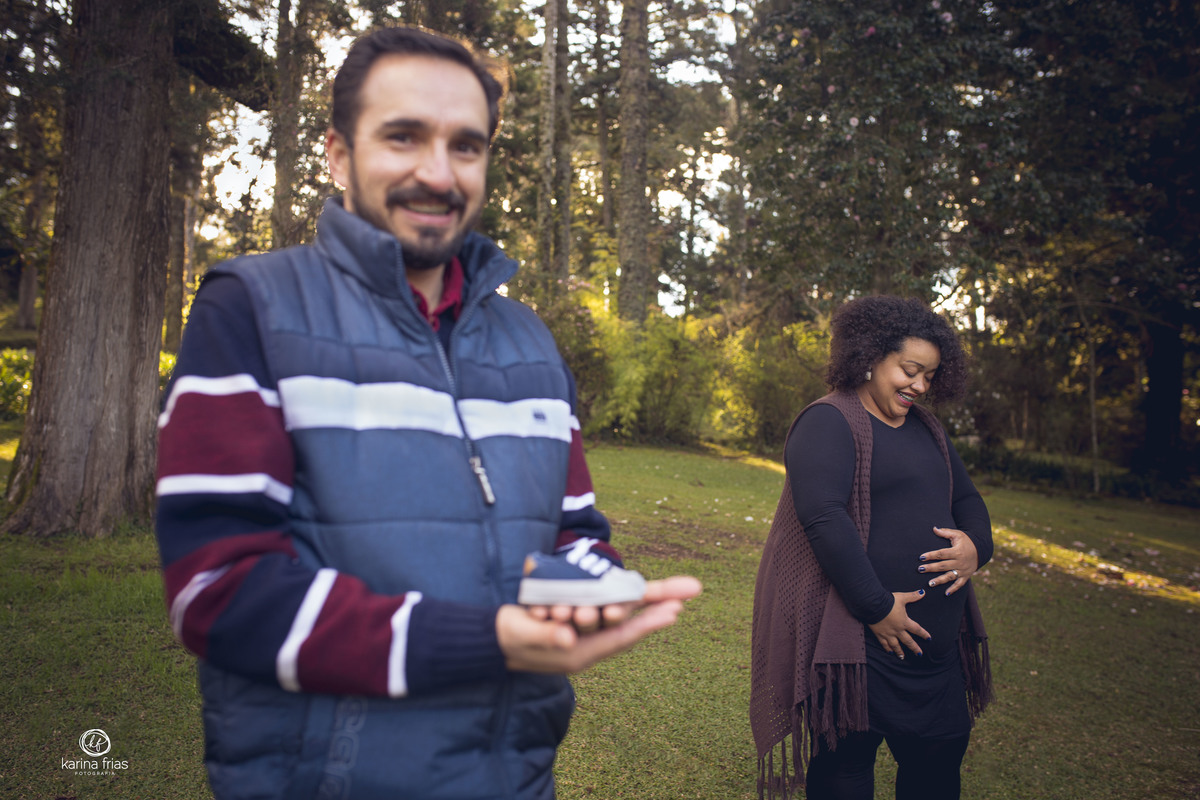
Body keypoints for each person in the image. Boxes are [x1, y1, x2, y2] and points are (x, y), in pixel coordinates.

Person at [154, 26, 700, 800]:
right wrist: (487, 641)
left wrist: (594, 592)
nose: (437, 173)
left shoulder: (530, 343)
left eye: (466, 146)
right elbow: (216, 589)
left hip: (516, 780)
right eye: (404, 137)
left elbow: (572, 535)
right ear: (338, 154)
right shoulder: (251, 308)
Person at [749, 295, 993, 800]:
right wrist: (878, 608)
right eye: (909, 370)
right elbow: (823, 518)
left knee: (940, 757)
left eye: (929, 376)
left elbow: (967, 499)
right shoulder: (827, 422)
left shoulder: (928, 429)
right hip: (861, 639)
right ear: (869, 357)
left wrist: (976, 548)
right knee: (847, 764)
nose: (919, 386)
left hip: (935, 649)